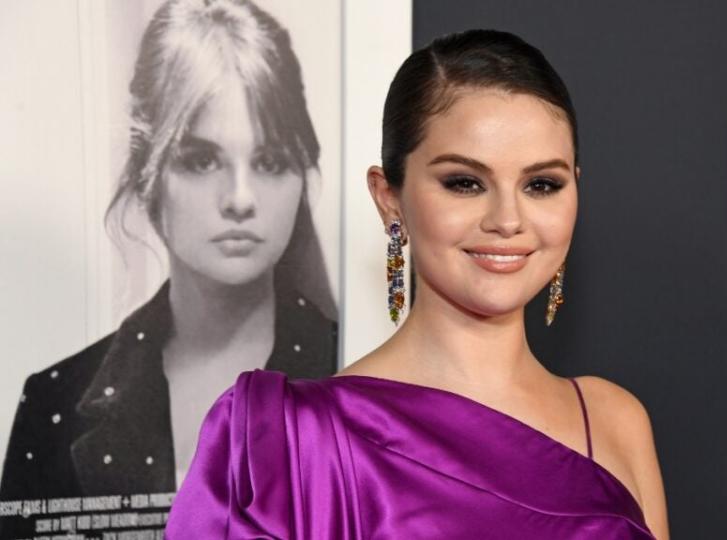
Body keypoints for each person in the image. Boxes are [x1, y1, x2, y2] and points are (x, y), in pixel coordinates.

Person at [166, 29, 668, 539]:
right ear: (390, 199)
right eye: (465, 183)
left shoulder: (614, 421)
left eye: (542, 185)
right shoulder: (284, 444)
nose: (508, 219)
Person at [0, 0, 337, 524]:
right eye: (201, 160)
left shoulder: (362, 373)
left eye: (270, 161)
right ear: (144, 176)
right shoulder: (56, 402)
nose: (240, 198)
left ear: (303, 178)